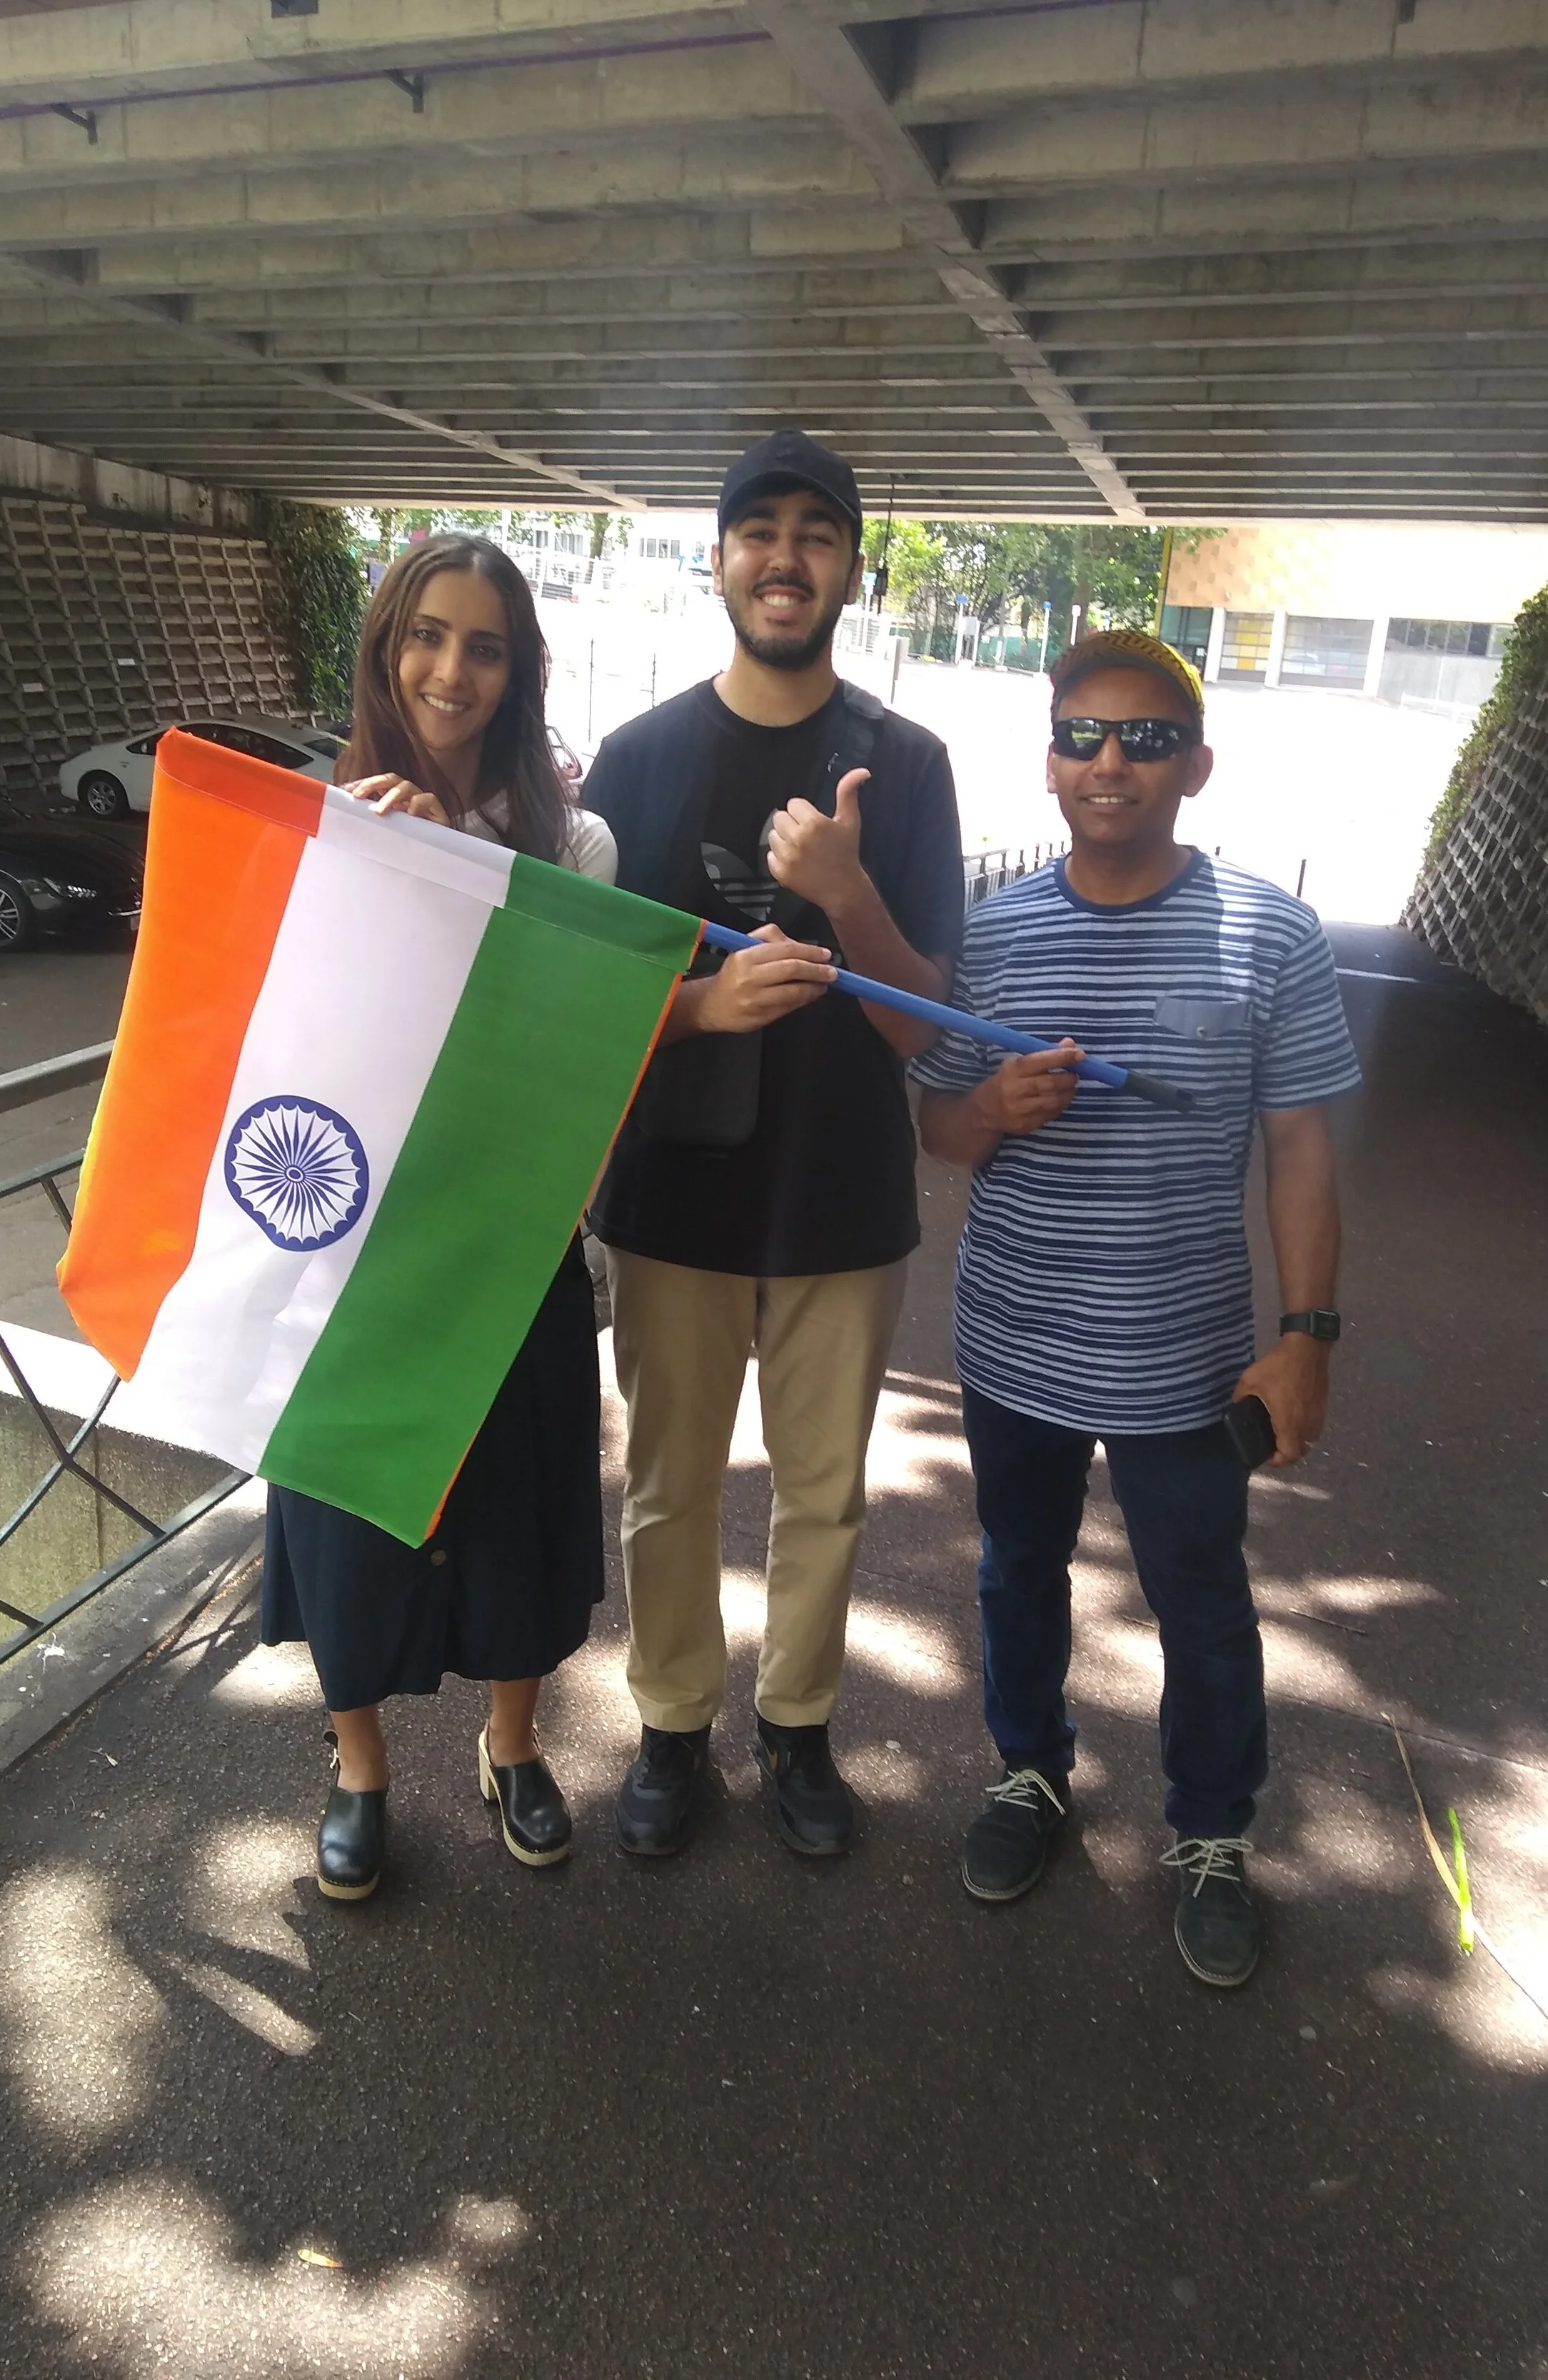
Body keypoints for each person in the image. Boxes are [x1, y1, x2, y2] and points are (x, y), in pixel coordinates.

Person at [912, 629, 1361, 1987]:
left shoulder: (1269, 935)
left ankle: (1214, 1833)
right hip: (1013, 1342)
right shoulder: (989, 937)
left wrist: (1307, 1339)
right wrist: (987, 1106)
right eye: (1084, 737)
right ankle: (1031, 1772)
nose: (1112, 762)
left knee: (1203, 1603)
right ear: (1049, 764)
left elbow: (1299, 1149)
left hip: (1185, 1363)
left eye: (1147, 739)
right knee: (1014, 1571)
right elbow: (942, 1131)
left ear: (1197, 766)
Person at [581, 430, 965, 1858]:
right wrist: (701, 1000)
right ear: (720, 559)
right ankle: (671, 1724)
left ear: (851, 568)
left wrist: (846, 895)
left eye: (815, 531)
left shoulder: (908, 764)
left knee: (824, 1495)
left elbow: (927, 1026)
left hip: (840, 1195)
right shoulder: (634, 758)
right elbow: (584, 1002)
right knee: (669, 1484)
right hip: (673, 1189)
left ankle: (796, 1726)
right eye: (758, 528)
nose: (783, 556)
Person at [261, 533, 618, 1901]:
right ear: (382, 645)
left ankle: (514, 1746)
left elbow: (580, 1047)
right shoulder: (319, 818)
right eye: (425, 634)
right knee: (348, 1506)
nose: (449, 671)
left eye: (484, 645)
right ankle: (358, 1768)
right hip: (347, 1246)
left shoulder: (570, 840)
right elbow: (272, 1039)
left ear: (520, 670)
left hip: (510, 1237)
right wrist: (362, 876)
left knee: (522, 1506)